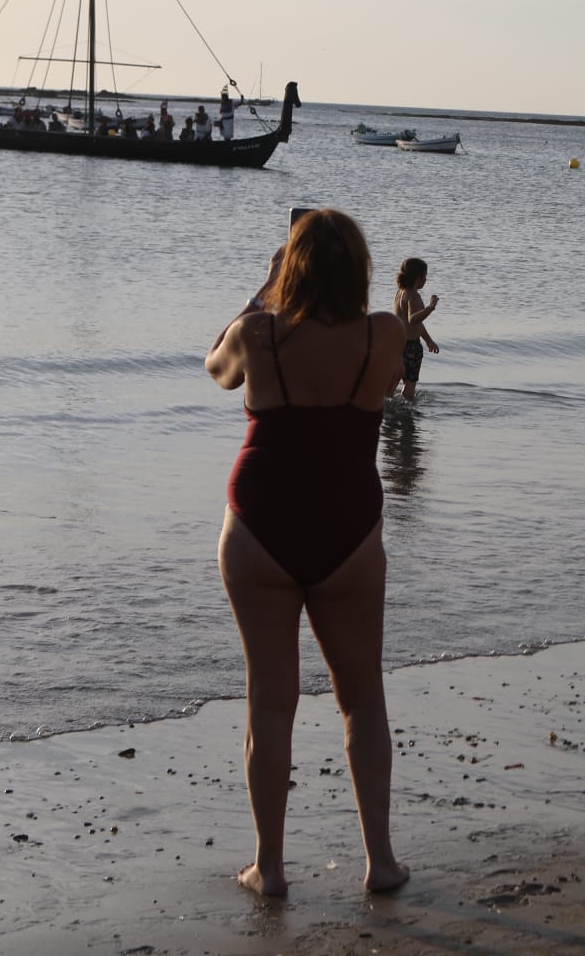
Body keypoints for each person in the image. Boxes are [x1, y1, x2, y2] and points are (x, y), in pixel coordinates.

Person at [204, 209, 410, 898]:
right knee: (362, 698)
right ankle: (379, 862)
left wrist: (263, 290)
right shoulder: (386, 332)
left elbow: (215, 369)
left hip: (260, 521)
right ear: (359, 268)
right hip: (347, 524)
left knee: (270, 701)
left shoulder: (258, 332)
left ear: (289, 267)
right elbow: (379, 389)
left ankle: (270, 866)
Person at [391, 257, 439, 402]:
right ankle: (407, 409)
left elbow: (413, 323)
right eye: (425, 276)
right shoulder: (414, 296)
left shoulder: (400, 293)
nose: (426, 279)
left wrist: (429, 341)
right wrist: (430, 308)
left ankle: (385, 404)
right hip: (411, 346)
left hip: (397, 344)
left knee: (394, 379)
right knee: (410, 381)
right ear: (418, 278)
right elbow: (414, 319)